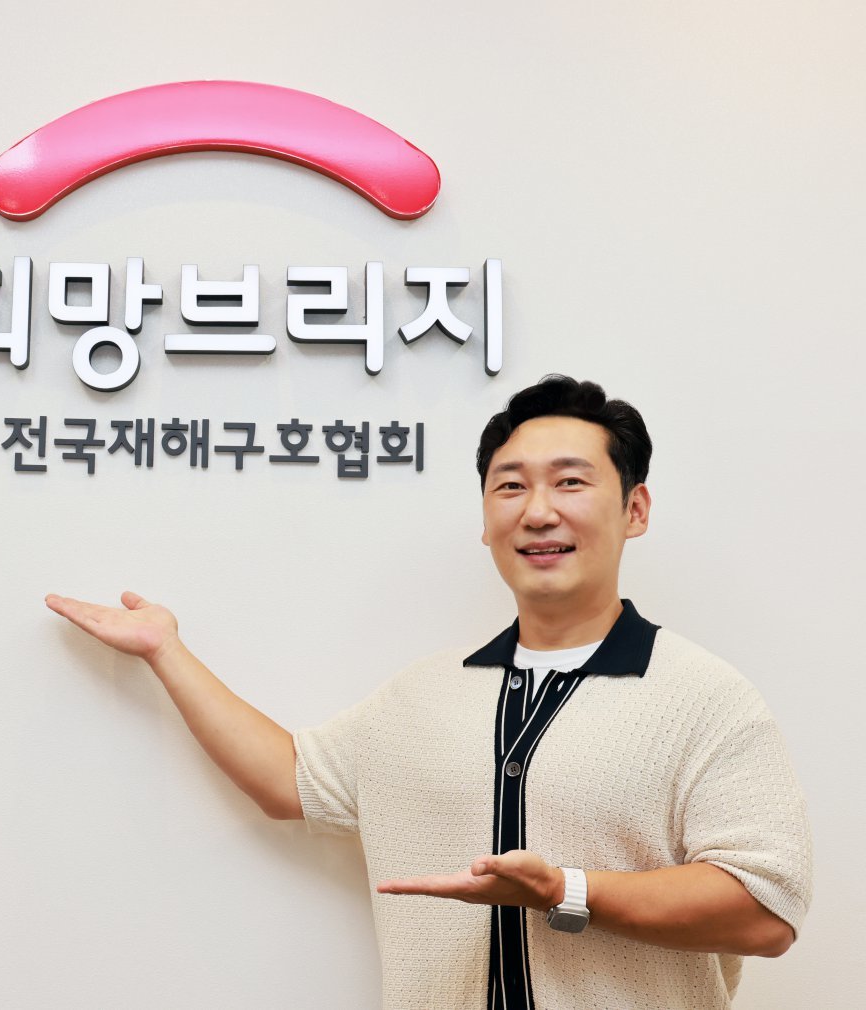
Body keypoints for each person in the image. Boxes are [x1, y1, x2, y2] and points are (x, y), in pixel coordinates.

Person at [44, 375, 811, 1009]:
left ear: (634, 509)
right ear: (486, 519)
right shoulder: (422, 696)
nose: (538, 510)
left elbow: (765, 911)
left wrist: (565, 891)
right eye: (510, 487)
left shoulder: (705, 697)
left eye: (570, 482)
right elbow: (288, 778)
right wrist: (166, 651)